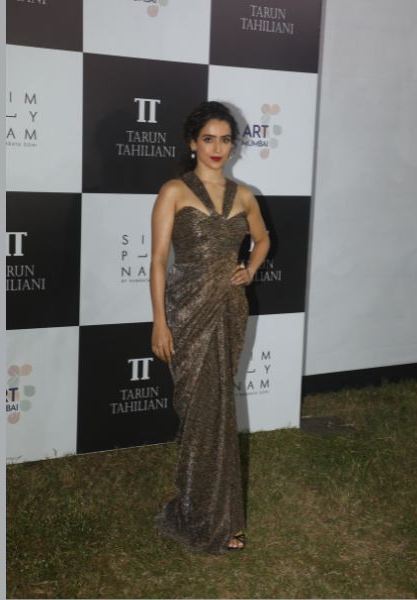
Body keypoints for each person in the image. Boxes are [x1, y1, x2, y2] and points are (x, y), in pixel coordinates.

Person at [150, 101, 270, 553]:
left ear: (233, 145)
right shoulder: (173, 191)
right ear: (192, 143)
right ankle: (197, 512)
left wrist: (250, 268)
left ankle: (221, 518)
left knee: (219, 408)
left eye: (225, 139)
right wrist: (160, 321)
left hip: (229, 308)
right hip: (186, 311)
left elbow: (263, 239)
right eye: (208, 139)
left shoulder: (244, 195)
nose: (217, 148)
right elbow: (158, 261)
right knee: (198, 410)